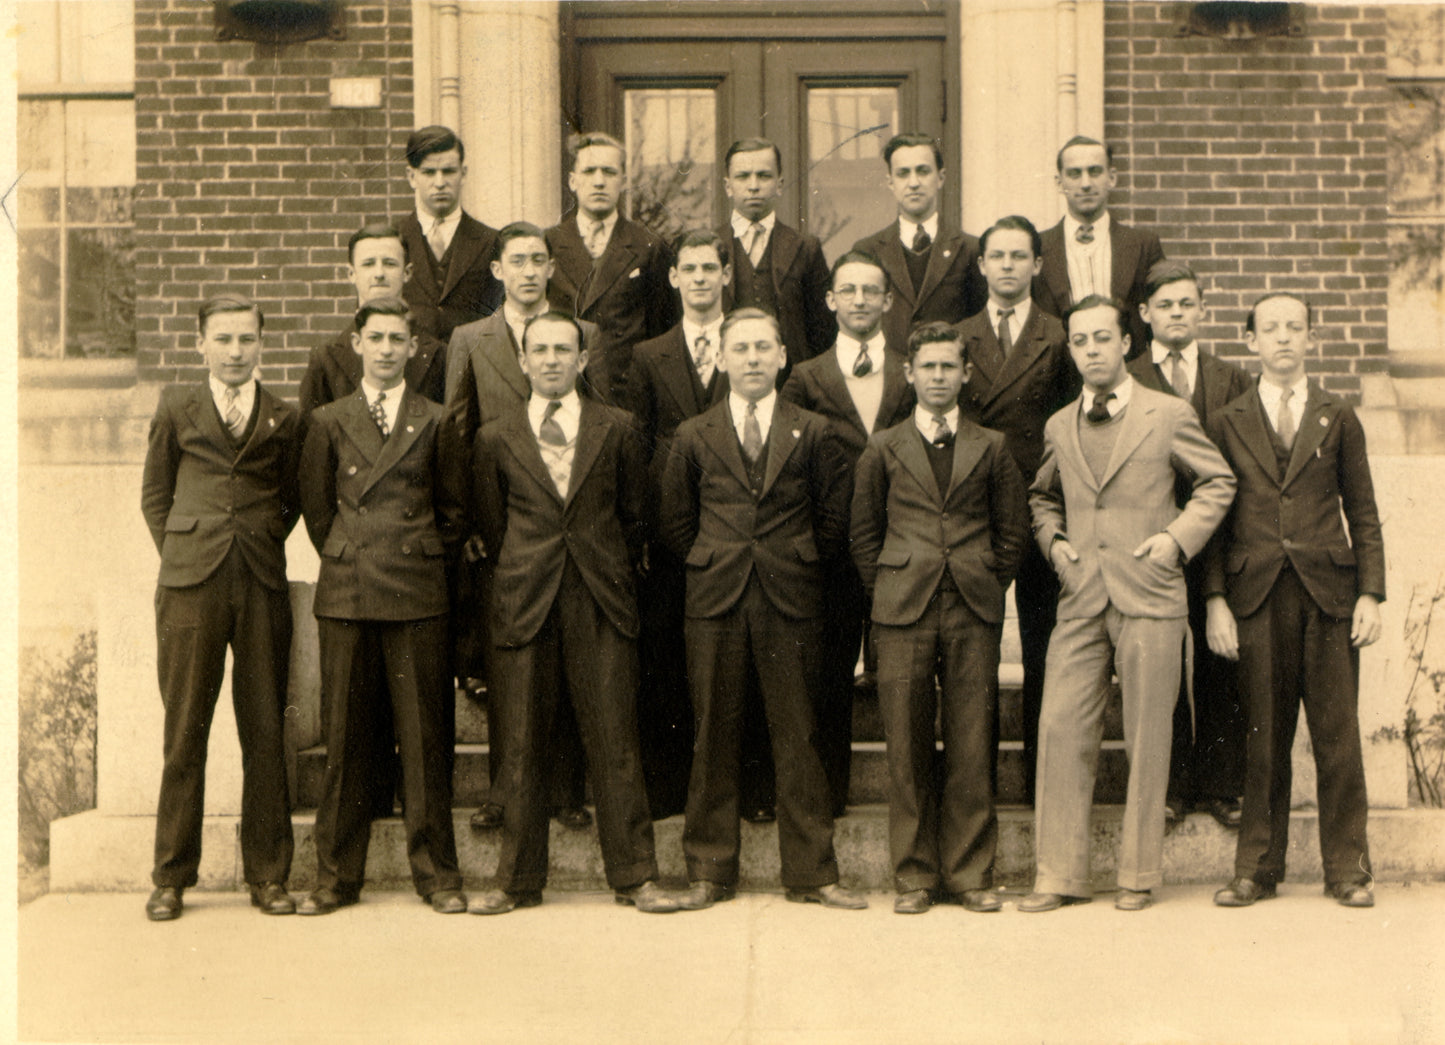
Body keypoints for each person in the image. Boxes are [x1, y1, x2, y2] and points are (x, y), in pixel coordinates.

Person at [1021, 294, 1234, 913]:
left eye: (1101, 339)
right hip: (1083, 596)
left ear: (1125, 345)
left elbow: (1218, 481)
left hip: (1149, 594)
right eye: (1079, 341)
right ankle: (1058, 875)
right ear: (1071, 350)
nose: (1091, 350)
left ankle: (1137, 876)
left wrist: (1176, 539)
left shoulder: (1168, 414)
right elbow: (1042, 497)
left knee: (1148, 737)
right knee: (1060, 729)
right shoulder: (1060, 424)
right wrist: (1055, 545)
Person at [468, 312, 679, 916]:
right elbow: (492, 522)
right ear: (524, 361)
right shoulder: (495, 435)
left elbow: (635, 514)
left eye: (565, 350)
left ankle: (636, 876)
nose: (553, 360)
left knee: (615, 737)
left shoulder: (618, 428)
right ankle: (516, 880)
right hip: (526, 596)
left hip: (600, 596)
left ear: (583, 360)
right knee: (523, 743)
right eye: (541, 350)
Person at [660, 307, 867, 912]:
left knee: (799, 734)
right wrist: (716, 556)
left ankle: (812, 873)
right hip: (716, 598)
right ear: (721, 359)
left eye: (763, 348)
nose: (752, 358)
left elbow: (833, 521)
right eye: (740, 348)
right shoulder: (693, 434)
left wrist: (791, 558)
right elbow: (676, 522)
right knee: (713, 733)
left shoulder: (816, 431)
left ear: (783, 358)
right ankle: (708, 872)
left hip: (790, 596)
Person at [1205, 292, 1384, 910]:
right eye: (1269, 328)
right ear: (1250, 341)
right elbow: (1215, 520)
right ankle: (1256, 867)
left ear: (1311, 338)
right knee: (1264, 737)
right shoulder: (1227, 420)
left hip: (1328, 596)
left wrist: (1370, 594)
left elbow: (1363, 513)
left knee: (1337, 735)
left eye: (1295, 327)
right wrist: (1215, 600)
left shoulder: (1340, 416)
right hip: (1255, 596)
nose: (1283, 338)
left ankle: (1349, 870)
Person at [851, 321, 1030, 914]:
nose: (937, 377)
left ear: (966, 373)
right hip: (903, 611)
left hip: (972, 608)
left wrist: (984, 579)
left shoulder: (993, 446)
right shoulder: (883, 447)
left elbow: (1012, 532)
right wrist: (889, 589)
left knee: (973, 742)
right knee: (904, 743)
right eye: (927, 367)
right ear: (909, 373)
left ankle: (970, 872)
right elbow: (864, 534)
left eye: (948, 367)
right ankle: (915, 876)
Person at [297, 297, 467, 916]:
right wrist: (350, 551)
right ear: (358, 344)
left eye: (399, 339)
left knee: (424, 741)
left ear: (413, 348)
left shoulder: (438, 418)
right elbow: (319, 514)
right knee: (345, 740)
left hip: (417, 593)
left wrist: (414, 555)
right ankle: (336, 877)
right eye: (377, 338)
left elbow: (451, 513)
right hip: (348, 593)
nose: (389, 349)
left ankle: (437, 875)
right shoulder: (326, 419)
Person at [140, 295, 301, 921]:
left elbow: (291, 501)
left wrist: (253, 541)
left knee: (264, 730)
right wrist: (187, 548)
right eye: (224, 339)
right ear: (200, 343)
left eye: (247, 339)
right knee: (185, 732)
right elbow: (155, 495)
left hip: (260, 581)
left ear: (263, 344)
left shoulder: (284, 416)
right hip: (189, 585)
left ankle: (268, 876)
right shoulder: (176, 406)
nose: (236, 351)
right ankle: (171, 876)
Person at [446, 222, 598, 833]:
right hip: (498, 525)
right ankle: (505, 794)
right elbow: (456, 429)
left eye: (540, 259)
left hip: (559, 522)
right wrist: (469, 524)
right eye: (518, 261)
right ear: (498, 270)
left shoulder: (576, 335)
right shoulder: (470, 338)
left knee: (563, 661)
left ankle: (564, 791)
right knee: (509, 667)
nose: (530, 271)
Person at [780, 249, 916, 816]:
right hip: (831, 549)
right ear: (831, 301)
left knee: (904, 678)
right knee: (828, 674)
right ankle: (828, 797)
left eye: (871, 290)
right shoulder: (806, 377)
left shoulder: (913, 371)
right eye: (848, 291)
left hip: (900, 545)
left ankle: (906, 802)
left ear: (888, 301)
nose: (860, 300)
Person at [955, 215, 1079, 805]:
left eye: (1018, 256)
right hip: (973, 507)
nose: (1007, 265)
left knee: (1043, 649)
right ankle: (972, 790)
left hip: (1037, 504)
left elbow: (1072, 429)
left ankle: (1042, 786)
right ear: (980, 267)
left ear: (1037, 265)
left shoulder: (1060, 337)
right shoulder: (955, 339)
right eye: (996, 256)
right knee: (970, 653)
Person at [1128, 260, 1253, 829]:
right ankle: (1172, 786)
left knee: (1219, 662)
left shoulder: (1230, 379)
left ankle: (1223, 784)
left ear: (1202, 310)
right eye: (1165, 305)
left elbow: (1240, 466)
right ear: (1145, 313)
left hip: (1218, 536)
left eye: (1186, 304)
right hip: (1151, 540)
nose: (1176, 314)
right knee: (1162, 667)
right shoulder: (1128, 379)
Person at [624, 228, 734, 820]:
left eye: (708, 268)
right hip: (670, 528)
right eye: (687, 269)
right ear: (672, 279)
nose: (698, 278)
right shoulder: (649, 355)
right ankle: (668, 789)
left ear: (725, 275)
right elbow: (638, 444)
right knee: (665, 656)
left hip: (733, 521)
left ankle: (742, 788)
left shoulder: (747, 345)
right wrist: (642, 529)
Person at [547, 131, 678, 403]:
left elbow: (661, 334)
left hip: (625, 398)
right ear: (573, 181)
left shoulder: (648, 247)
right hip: (563, 391)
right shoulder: (547, 244)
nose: (598, 181)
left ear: (623, 181)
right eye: (589, 171)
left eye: (608, 172)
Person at [300, 224, 451, 424]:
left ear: (407, 273)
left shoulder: (437, 355)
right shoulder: (326, 359)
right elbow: (312, 440)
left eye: (389, 263)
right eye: (368, 263)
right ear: (351, 274)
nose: (379, 273)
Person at [853, 133, 987, 352]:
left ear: (941, 178)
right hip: (889, 378)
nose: (913, 183)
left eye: (923, 171)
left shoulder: (969, 248)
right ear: (890, 182)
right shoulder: (868, 251)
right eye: (903, 174)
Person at [1033, 136, 1165, 358]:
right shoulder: (1037, 247)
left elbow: (1159, 317)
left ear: (1111, 178)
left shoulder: (1143, 245)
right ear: (1059, 182)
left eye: (1095, 171)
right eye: (1075, 174)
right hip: (1057, 381)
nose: (1085, 183)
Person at [718, 137, 834, 372]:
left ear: (779, 184)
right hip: (725, 382)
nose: (753, 185)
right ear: (728, 186)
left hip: (790, 385)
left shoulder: (805, 248)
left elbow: (823, 333)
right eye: (743, 176)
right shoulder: (708, 249)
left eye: (764, 176)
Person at [398, 126, 503, 342]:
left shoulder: (491, 241)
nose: (439, 183)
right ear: (411, 176)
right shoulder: (393, 241)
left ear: (463, 174)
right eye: (429, 172)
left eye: (448, 171)